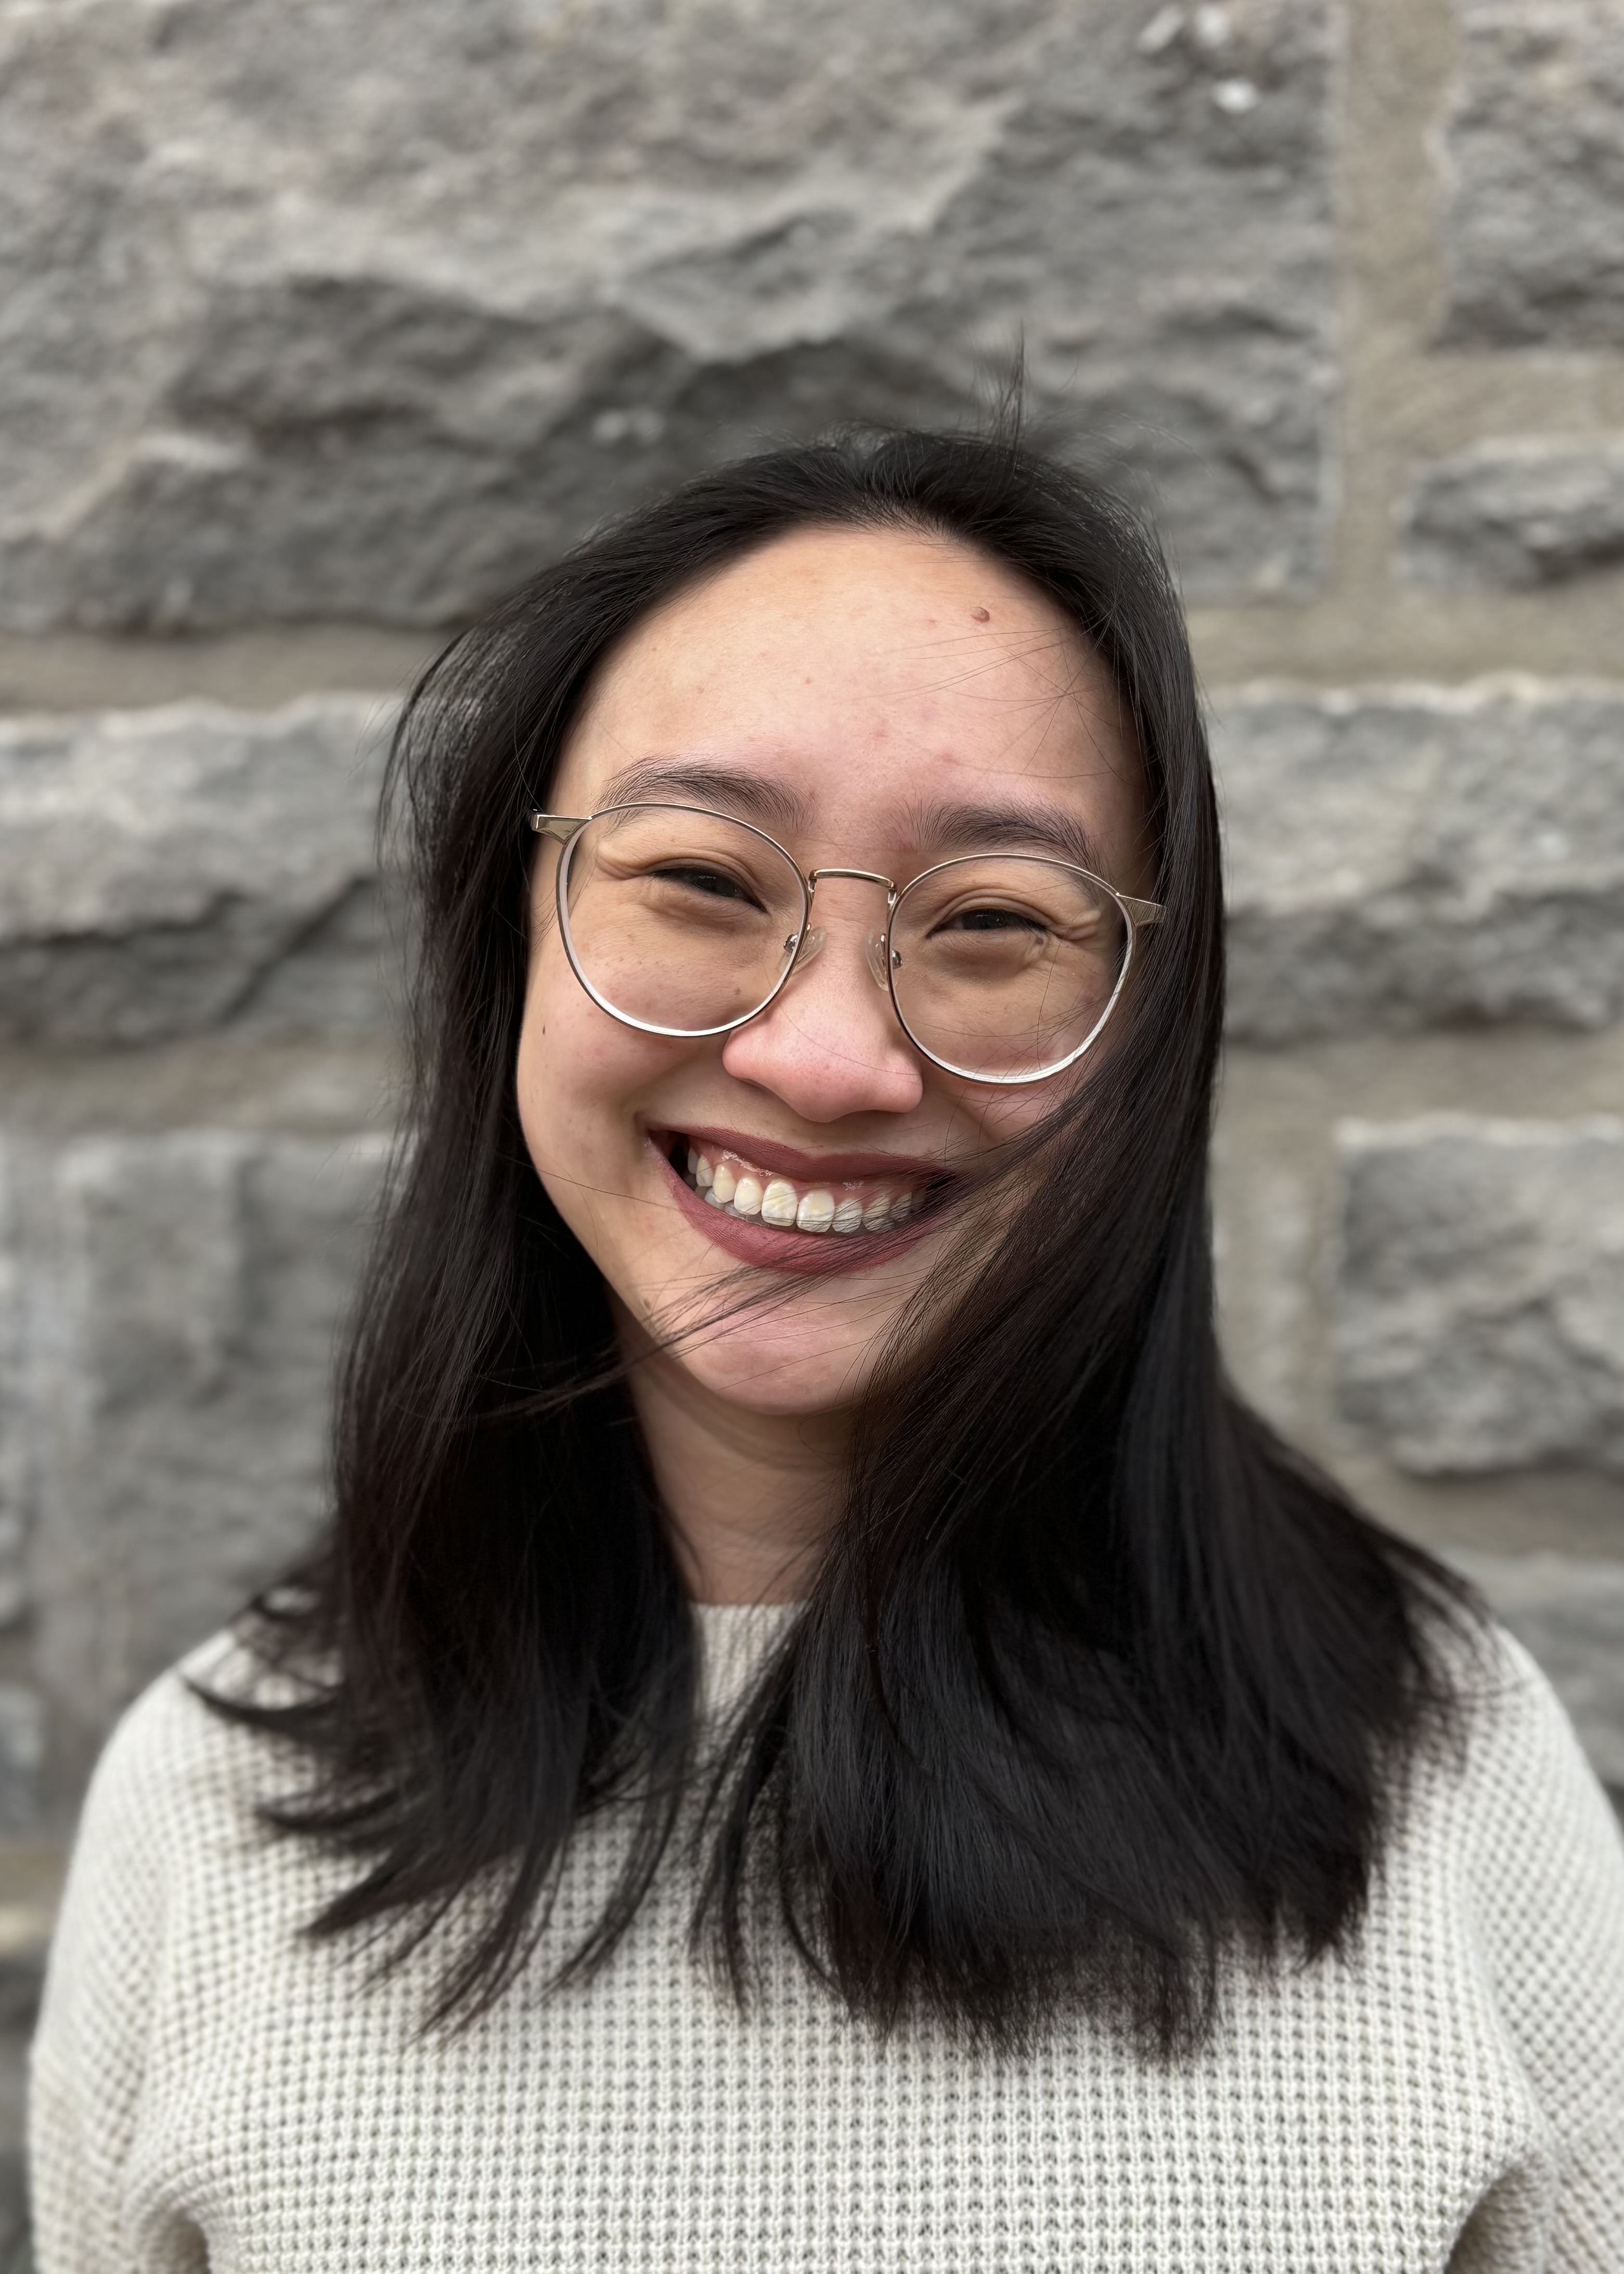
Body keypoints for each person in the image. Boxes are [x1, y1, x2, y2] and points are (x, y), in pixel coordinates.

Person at [30, 428, 1624, 2272]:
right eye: (701, 879)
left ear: (1147, 1041)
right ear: (508, 941)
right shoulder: (211, 1810)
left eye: (995, 922)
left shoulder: (1437, 1767)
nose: (825, 1057)